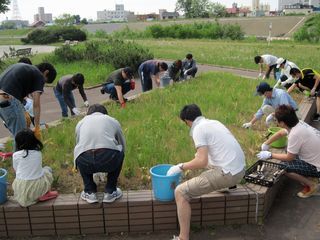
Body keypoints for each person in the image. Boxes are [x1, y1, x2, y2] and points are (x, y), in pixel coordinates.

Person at [167, 104, 245, 240]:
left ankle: (182, 237)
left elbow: (201, 162)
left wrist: (180, 166)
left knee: (180, 192)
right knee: (201, 158)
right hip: (240, 169)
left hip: (227, 174)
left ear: (187, 121)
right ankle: (228, 186)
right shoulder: (214, 122)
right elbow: (206, 157)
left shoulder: (198, 129)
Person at [257, 105, 320, 198]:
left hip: (317, 166)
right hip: (316, 158)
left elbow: (289, 157)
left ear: (282, 123)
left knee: (283, 167)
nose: (276, 122)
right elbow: (281, 133)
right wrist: (266, 143)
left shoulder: (295, 134)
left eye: (276, 120)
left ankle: (313, 186)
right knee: (290, 152)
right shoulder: (298, 124)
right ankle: (312, 177)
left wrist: (270, 155)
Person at [74, 104, 125, 204]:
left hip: (85, 161)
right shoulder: (111, 120)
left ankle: (89, 191)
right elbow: (122, 143)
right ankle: (110, 191)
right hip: (108, 158)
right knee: (120, 151)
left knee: (80, 153)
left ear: (88, 114)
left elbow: (78, 145)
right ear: (105, 113)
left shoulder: (81, 122)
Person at [0, 62, 56, 141]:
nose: (42, 84)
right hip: (8, 99)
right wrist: (37, 127)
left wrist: (24, 111)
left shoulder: (25, 68)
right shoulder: (39, 75)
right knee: (22, 137)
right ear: (46, 72)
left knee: (17, 134)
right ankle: (22, 153)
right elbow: (36, 104)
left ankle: (18, 153)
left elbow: (16, 90)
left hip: (3, 98)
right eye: (45, 81)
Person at [12, 129, 58, 207]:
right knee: (47, 169)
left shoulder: (15, 155)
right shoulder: (38, 153)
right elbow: (38, 170)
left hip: (20, 188)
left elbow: (16, 170)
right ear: (34, 141)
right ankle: (45, 193)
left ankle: (34, 196)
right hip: (37, 188)